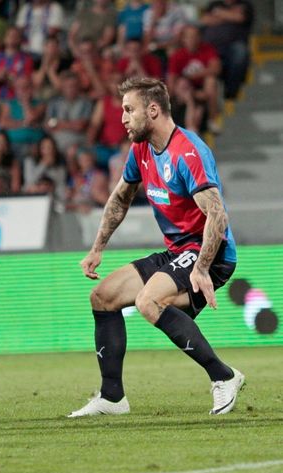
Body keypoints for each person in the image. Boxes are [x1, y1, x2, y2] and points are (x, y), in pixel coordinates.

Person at [69, 77, 243, 418]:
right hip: (178, 251)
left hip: (211, 250)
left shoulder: (188, 152)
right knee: (103, 297)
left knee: (149, 301)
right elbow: (120, 198)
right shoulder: (141, 149)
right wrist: (97, 249)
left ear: (153, 110)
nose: (122, 118)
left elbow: (217, 215)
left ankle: (224, 376)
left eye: (129, 110)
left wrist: (203, 268)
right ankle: (112, 397)